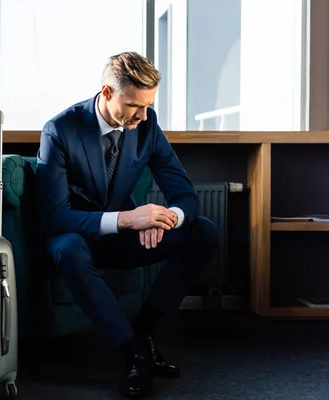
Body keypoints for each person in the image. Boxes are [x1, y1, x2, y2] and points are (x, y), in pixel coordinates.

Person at [35, 51, 219, 398]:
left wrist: (165, 219)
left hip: (125, 240)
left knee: (203, 231)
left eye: (148, 105)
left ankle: (144, 331)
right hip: (77, 237)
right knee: (69, 248)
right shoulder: (60, 130)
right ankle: (132, 352)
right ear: (107, 93)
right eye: (135, 105)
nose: (144, 115)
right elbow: (54, 218)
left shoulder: (146, 126)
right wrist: (126, 219)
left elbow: (185, 195)